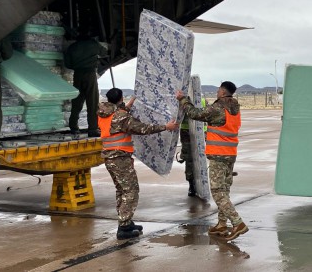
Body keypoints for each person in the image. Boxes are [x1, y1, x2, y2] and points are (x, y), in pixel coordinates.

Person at [100, 88, 178, 240]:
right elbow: (143, 128)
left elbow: (119, 113)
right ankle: (123, 227)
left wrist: (131, 102)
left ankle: (126, 221)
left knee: (122, 190)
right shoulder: (121, 116)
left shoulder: (104, 113)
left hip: (110, 157)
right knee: (131, 191)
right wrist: (165, 127)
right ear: (121, 98)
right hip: (120, 158)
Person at [176, 81, 248, 241]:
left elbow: (194, 113)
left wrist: (183, 99)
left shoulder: (218, 108)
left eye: (218, 90)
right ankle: (222, 224)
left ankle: (238, 223)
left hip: (218, 155)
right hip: (231, 154)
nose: (216, 93)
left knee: (217, 191)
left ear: (222, 92)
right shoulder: (235, 107)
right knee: (225, 189)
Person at [64, 27, 108, 137]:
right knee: (92, 103)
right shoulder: (93, 44)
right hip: (90, 74)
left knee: (77, 102)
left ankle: (73, 127)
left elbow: (68, 64)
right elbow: (104, 52)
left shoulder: (72, 47)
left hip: (78, 75)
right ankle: (92, 129)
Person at [178, 112, 197, 197]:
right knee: (189, 160)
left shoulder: (203, 101)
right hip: (186, 132)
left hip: (199, 133)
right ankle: (191, 184)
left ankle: (202, 183)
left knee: (200, 160)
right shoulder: (182, 101)